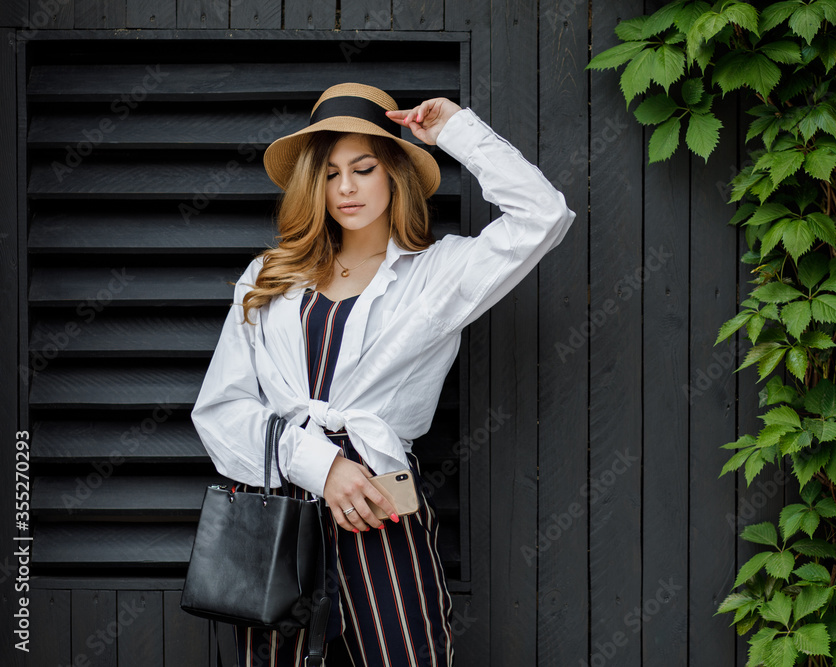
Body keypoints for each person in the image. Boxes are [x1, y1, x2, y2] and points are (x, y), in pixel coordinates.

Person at [191, 82, 576, 666]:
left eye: (364, 168)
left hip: (380, 500)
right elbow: (221, 409)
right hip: (277, 510)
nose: (345, 187)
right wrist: (323, 469)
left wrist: (455, 131)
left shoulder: (437, 274)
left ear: (393, 172)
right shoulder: (268, 275)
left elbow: (543, 215)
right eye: (328, 173)